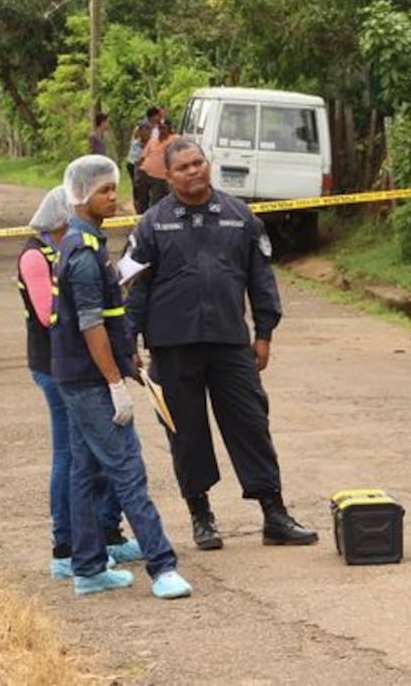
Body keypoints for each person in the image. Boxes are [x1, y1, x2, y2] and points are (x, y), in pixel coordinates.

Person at [125, 138, 319, 550]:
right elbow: (135, 288)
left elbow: (261, 278)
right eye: (184, 167)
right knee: (186, 432)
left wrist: (264, 332)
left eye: (199, 163)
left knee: (251, 424)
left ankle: (274, 513)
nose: (194, 171)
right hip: (172, 346)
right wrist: (129, 341)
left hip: (230, 343)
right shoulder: (152, 225)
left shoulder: (239, 216)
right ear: (169, 176)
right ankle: (201, 516)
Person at [51, 154, 191, 600]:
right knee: (128, 470)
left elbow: (105, 321)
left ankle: (88, 567)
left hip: (77, 376)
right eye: (104, 191)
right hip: (90, 381)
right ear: (80, 196)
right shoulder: (84, 257)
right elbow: (91, 327)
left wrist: (127, 367)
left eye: (114, 189)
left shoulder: (81, 244)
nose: (113, 197)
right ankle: (162, 566)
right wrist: (114, 384)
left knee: (85, 471)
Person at [19, 185, 143, 580]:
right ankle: (67, 547)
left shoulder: (67, 250)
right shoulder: (36, 255)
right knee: (71, 458)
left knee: (91, 458)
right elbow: (47, 314)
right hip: (57, 367)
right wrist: (87, 292)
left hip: (77, 364)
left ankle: (102, 537)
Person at [139, 120, 175, 209]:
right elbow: (143, 157)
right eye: (160, 128)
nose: (162, 131)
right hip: (147, 173)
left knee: (158, 200)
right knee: (144, 199)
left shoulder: (174, 139)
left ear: (169, 130)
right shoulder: (152, 141)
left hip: (162, 177)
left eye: (164, 128)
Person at [128, 122, 153, 213]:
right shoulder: (135, 144)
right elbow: (136, 160)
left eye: (146, 130)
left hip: (153, 174)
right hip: (140, 174)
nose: (144, 133)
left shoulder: (155, 143)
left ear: (150, 132)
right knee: (140, 197)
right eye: (142, 130)